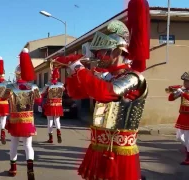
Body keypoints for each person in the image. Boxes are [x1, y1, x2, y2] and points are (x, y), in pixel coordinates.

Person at [53, 11, 150, 180]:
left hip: (120, 150)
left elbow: (105, 93)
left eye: (103, 51)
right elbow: (76, 93)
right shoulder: (105, 76)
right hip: (99, 144)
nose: (98, 56)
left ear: (117, 52)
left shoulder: (133, 78)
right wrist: (72, 72)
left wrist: (79, 69)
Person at [4, 48, 41, 180]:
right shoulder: (34, 87)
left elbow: (2, 97)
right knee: (28, 146)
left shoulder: (10, 86)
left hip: (15, 120)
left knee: (13, 144)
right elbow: (39, 100)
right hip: (28, 120)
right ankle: (30, 170)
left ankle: (13, 168)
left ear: (16, 74)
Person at [167, 73, 189, 165]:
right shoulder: (183, 90)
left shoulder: (184, 92)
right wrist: (175, 92)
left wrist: (183, 93)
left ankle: (188, 158)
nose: (185, 83)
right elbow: (170, 99)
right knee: (180, 136)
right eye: (184, 81)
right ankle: (187, 150)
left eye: (187, 82)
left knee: (188, 139)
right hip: (182, 116)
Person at [38, 68, 64, 143]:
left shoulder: (48, 85)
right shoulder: (61, 85)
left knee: (50, 121)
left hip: (50, 105)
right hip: (58, 105)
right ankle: (59, 134)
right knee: (57, 121)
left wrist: (40, 104)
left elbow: (42, 94)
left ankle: (51, 138)